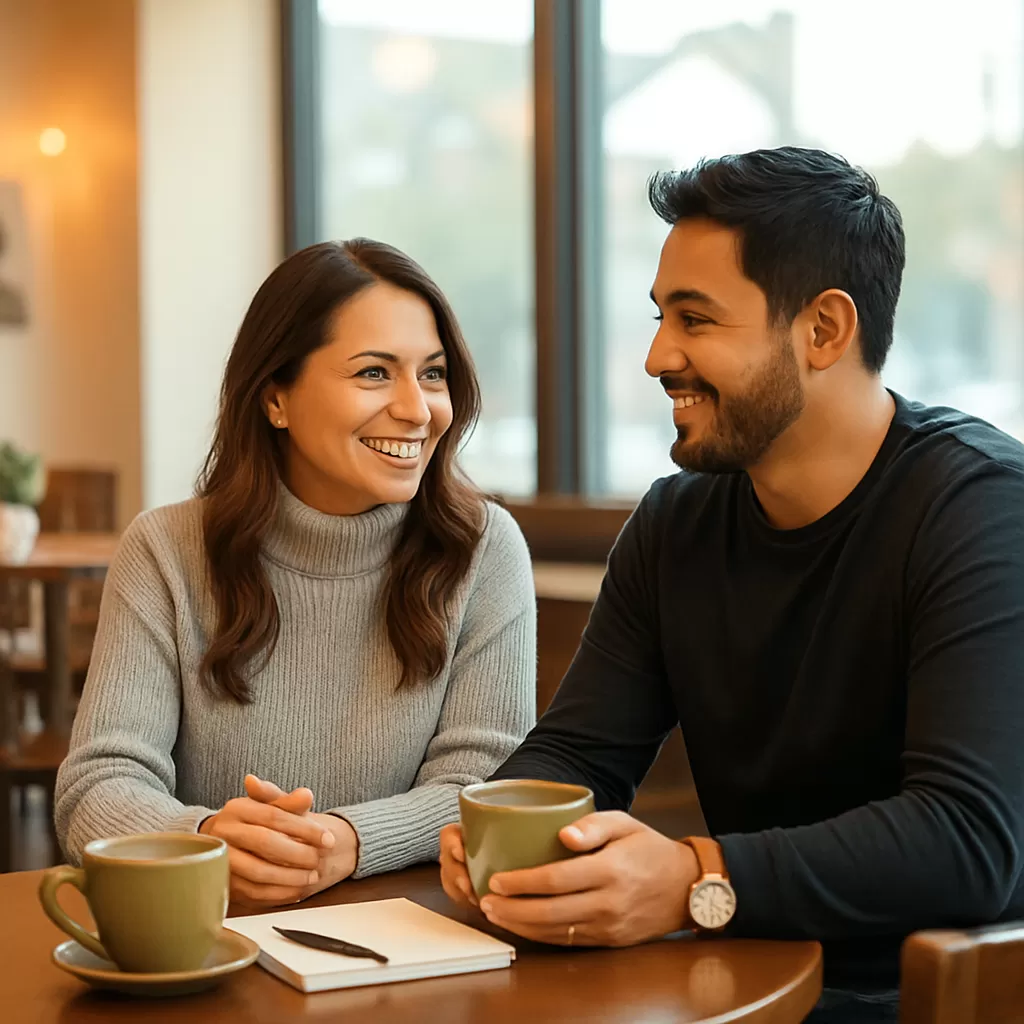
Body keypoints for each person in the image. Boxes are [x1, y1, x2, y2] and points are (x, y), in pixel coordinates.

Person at [439, 148, 1024, 1022]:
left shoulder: (983, 512)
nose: (655, 357)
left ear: (825, 329)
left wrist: (694, 878)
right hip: (738, 971)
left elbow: (969, 839)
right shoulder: (677, 523)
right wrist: (497, 833)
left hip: (935, 993)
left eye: (696, 320)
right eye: (659, 317)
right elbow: (582, 755)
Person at [56, 239, 536, 908]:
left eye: (432, 373)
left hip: (415, 946)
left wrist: (347, 840)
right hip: (213, 941)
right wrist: (207, 838)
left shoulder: (484, 549)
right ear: (275, 397)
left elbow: (487, 781)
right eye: (373, 373)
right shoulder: (166, 549)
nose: (418, 408)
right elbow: (99, 784)